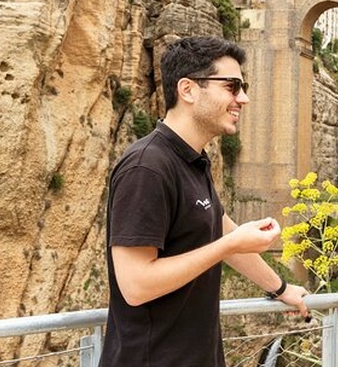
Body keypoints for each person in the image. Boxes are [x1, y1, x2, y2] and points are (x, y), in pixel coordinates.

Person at [101, 36, 309, 367]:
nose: (243, 98)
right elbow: (136, 285)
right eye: (232, 86)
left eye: (243, 87)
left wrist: (281, 288)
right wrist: (229, 245)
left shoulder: (193, 161)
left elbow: (223, 232)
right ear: (188, 90)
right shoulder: (147, 167)